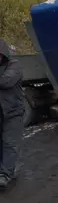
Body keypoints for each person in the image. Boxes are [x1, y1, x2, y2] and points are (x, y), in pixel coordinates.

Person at [0, 38, 25, 189]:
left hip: (13, 112)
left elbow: (6, 82)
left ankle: (5, 174)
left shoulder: (14, 65)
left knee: (10, 143)